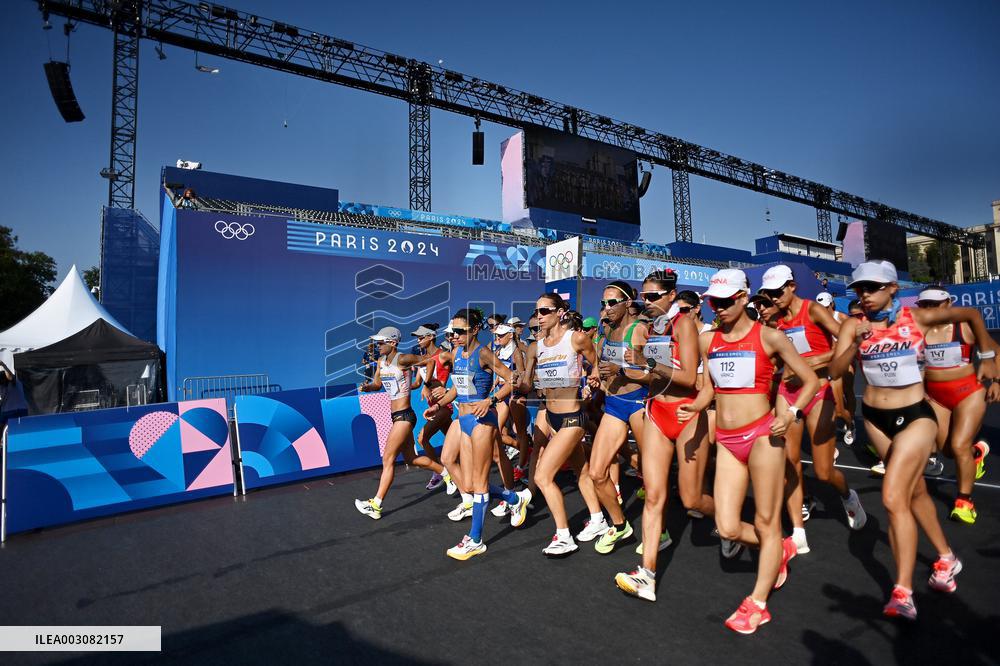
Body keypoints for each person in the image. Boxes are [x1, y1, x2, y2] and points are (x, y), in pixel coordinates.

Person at [829, 260, 997, 620]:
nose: (864, 295)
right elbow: (835, 370)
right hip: (875, 417)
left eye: (872, 287)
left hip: (916, 415)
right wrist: (852, 344)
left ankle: (902, 592)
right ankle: (947, 558)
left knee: (892, 497)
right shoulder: (853, 326)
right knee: (916, 492)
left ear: (892, 288)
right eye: (859, 288)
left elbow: (969, 314)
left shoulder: (915, 318)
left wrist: (987, 355)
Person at [687, 269, 818, 634]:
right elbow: (709, 388)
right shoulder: (706, 340)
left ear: (744, 298)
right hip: (727, 441)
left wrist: (791, 414)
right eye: (714, 302)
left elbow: (809, 380)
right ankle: (780, 549)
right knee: (727, 526)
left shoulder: (771, 337)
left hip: (763, 435)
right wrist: (696, 406)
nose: (719, 308)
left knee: (765, 520)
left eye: (727, 301)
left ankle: (758, 603)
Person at [758, 265, 867, 556]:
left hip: (819, 390)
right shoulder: (774, 323)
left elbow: (844, 345)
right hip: (787, 390)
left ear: (792, 286)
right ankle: (798, 530)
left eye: (778, 291)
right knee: (789, 460)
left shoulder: (813, 311)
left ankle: (847, 495)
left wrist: (809, 362)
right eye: (769, 293)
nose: (774, 297)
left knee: (823, 471)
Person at [614, 270, 708, 602]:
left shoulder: (682, 324)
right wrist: (631, 368)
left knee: (692, 499)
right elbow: (644, 371)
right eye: (645, 296)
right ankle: (647, 575)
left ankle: (730, 521)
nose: (648, 302)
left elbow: (688, 379)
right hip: (657, 411)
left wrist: (647, 364)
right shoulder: (646, 327)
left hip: (686, 413)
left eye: (654, 296)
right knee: (654, 496)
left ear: (671, 296)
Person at [433, 309, 531, 560]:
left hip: (482, 422)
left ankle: (475, 539)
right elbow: (457, 386)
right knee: (467, 484)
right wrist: (440, 403)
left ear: (475, 329)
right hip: (464, 419)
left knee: (479, 482)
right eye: (453, 331)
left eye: (460, 331)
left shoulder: (484, 353)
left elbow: (512, 379)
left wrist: (491, 400)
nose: (454, 336)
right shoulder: (457, 353)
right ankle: (514, 498)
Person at [520, 293, 604, 556]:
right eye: (537, 312)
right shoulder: (537, 346)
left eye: (544, 311)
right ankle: (598, 518)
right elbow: (525, 382)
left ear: (560, 312)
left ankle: (565, 536)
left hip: (572, 417)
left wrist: (594, 376)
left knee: (542, 477)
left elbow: (596, 362)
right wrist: (515, 383)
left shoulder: (576, 339)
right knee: (581, 471)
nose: (539, 317)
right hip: (554, 417)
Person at [916, 287, 995, 524]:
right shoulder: (919, 331)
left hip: (968, 392)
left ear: (948, 303)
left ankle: (964, 502)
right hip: (936, 396)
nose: (930, 309)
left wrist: (996, 380)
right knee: (948, 450)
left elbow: (996, 351)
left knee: (959, 445)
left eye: (935, 304)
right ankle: (976, 454)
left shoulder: (965, 328)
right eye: (925, 304)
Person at [354, 327, 446, 519]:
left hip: (404, 416)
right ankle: (447, 473)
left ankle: (376, 504)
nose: (378, 346)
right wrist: (368, 387)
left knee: (387, 459)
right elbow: (377, 384)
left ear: (393, 343)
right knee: (411, 459)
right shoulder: (381, 362)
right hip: (395, 416)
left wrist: (426, 384)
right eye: (378, 343)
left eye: (381, 342)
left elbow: (429, 362)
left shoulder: (402, 359)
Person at [588, 281, 650, 553]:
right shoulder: (605, 332)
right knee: (596, 472)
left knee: (651, 475)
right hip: (614, 403)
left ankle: (659, 531)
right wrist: (596, 376)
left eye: (612, 302)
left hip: (638, 401)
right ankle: (620, 525)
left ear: (627, 303)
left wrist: (622, 369)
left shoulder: (639, 330)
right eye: (603, 303)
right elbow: (601, 366)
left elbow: (659, 373)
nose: (607, 308)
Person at [410, 324, 453, 492]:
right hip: (432, 406)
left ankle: (439, 472)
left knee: (422, 438)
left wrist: (447, 389)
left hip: (443, 405)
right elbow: (416, 383)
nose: (418, 340)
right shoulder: (422, 360)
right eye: (417, 337)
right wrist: (404, 383)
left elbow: (464, 372)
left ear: (430, 337)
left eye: (421, 337)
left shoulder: (443, 355)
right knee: (458, 441)